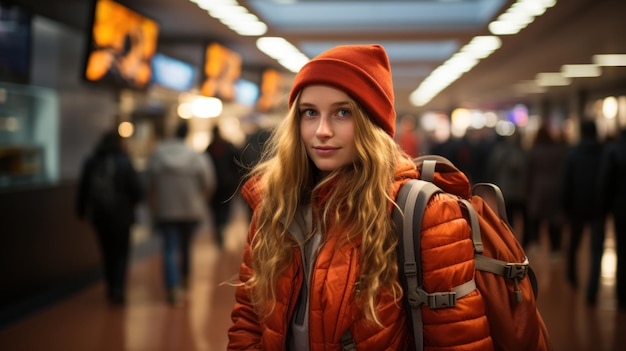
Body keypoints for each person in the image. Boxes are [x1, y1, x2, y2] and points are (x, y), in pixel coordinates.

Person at [227, 44, 490, 350]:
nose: (322, 131)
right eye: (309, 112)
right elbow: (248, 318)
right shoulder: (273, 207)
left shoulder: (425, 215)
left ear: (372, 124)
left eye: (342, 112)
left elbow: (458, 340)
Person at [147, 120, 216, 305]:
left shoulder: (158, 154)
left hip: (166, 210)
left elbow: (148, 182)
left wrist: (153, 204)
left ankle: (173, 288)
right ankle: (185, 280)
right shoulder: (195, 156)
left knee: (169, 248)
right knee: (186, 247)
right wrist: (201, 198)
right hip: (190, 210)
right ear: (186, 134)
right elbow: (209, 182)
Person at [76, 130, 144, 304]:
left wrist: (81, 212)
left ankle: (110, 285)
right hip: (122, 215)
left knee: (107, 252)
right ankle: (118, 289)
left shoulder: (91, 162)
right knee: (121, 253)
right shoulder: (124, 161)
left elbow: (83, 189)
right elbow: (137, 190)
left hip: (100, 215)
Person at [560, 120, 606, 295]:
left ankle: (572, 278)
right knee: (597, 249)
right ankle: (592, 288)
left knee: (573, 244)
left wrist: (565, 206)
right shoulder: (603, 152)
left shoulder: (574, 153)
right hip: (598, 206)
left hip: (577, 205)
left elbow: (567, 182)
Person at [524, 123, 567, 259]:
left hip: (538, 190)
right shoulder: (558, 151)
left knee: (536, 219)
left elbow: (528, 174)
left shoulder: (534, 152)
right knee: (554, 221)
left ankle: (536, 244)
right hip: (555, 189)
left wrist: (527, 191)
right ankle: (555, 250)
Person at [597, 126, 626, 309]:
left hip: (621, 208)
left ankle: (622, 298)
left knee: (622, 252)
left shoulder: (615, 151)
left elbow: (605, 182)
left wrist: (604, 209)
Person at [205, 125, 241, 249]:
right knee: (225, 207)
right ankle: (221, 226)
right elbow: (237, 164)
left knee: (216, 209)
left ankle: (219, 227)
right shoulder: (228, 146)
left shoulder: (209, 148)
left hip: (215, 184)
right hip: (227, 185)